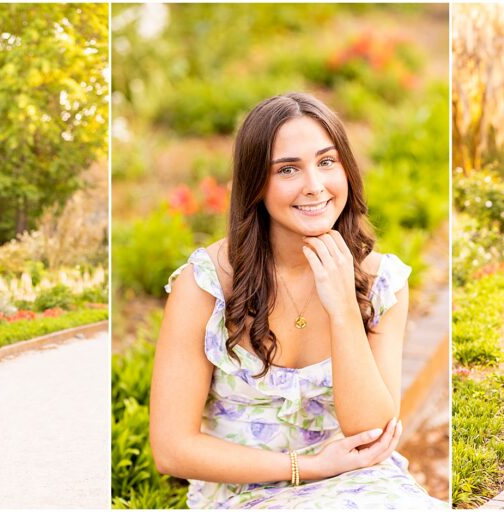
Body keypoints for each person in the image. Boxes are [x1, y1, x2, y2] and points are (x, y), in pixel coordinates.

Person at [149, 93, 444, 508]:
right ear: (257, 185)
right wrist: (307, 467)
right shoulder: (206, 284)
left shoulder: (381, 281)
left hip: (358, 484)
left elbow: (372, 431)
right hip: (244, 493)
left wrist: (343, 307)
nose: (315, 186)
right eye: (288, 169)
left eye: (327, 162)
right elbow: (171, 449)